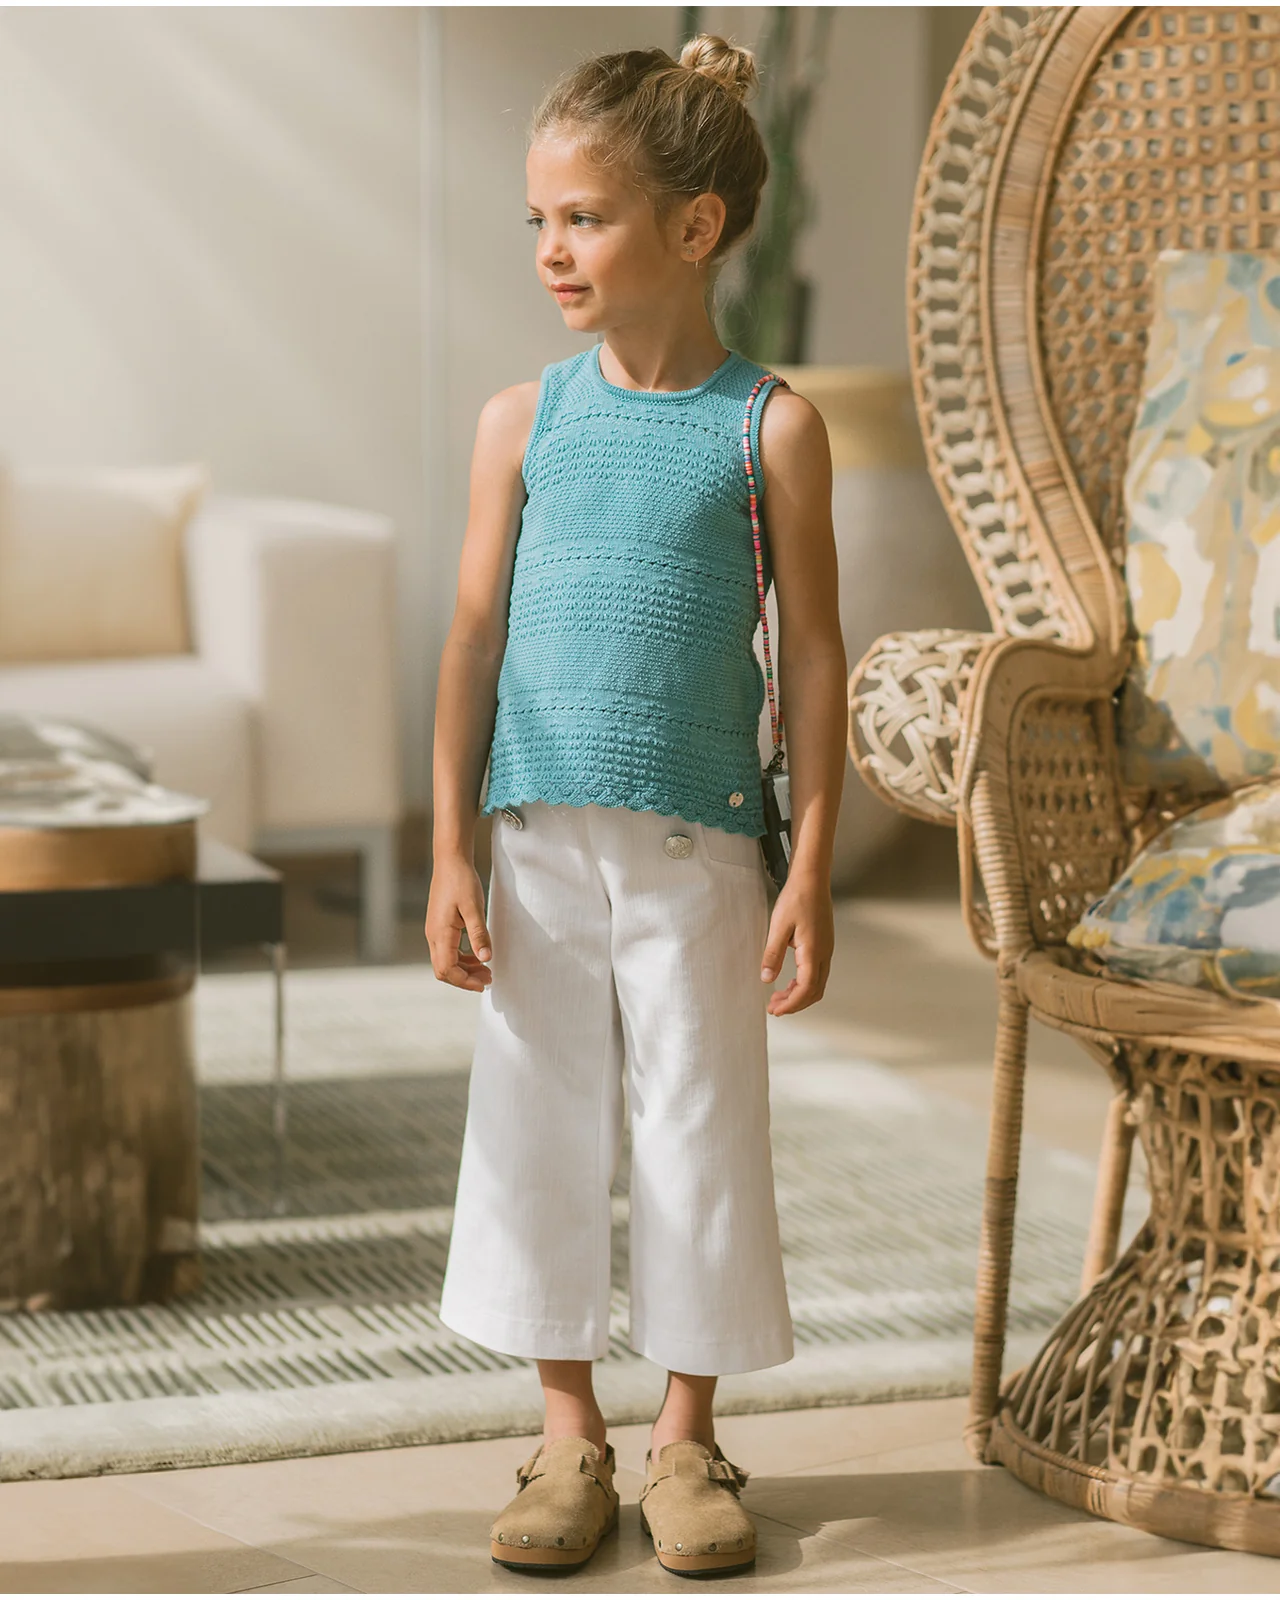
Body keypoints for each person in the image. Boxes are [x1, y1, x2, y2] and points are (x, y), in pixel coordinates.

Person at [426, 31, 845, 1580]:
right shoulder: (520, 419)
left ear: (695, 225)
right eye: (539, 219)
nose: (552, 248)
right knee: (537, 1118)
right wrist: (449, 846)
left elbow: (814, 653)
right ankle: (565, 1434)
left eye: (585, 218)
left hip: (701, 842)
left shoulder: (768, 427)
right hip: (536, 835)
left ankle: (684, 1436)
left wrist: (811, 865)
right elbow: (473, 637)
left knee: (698, 1124)